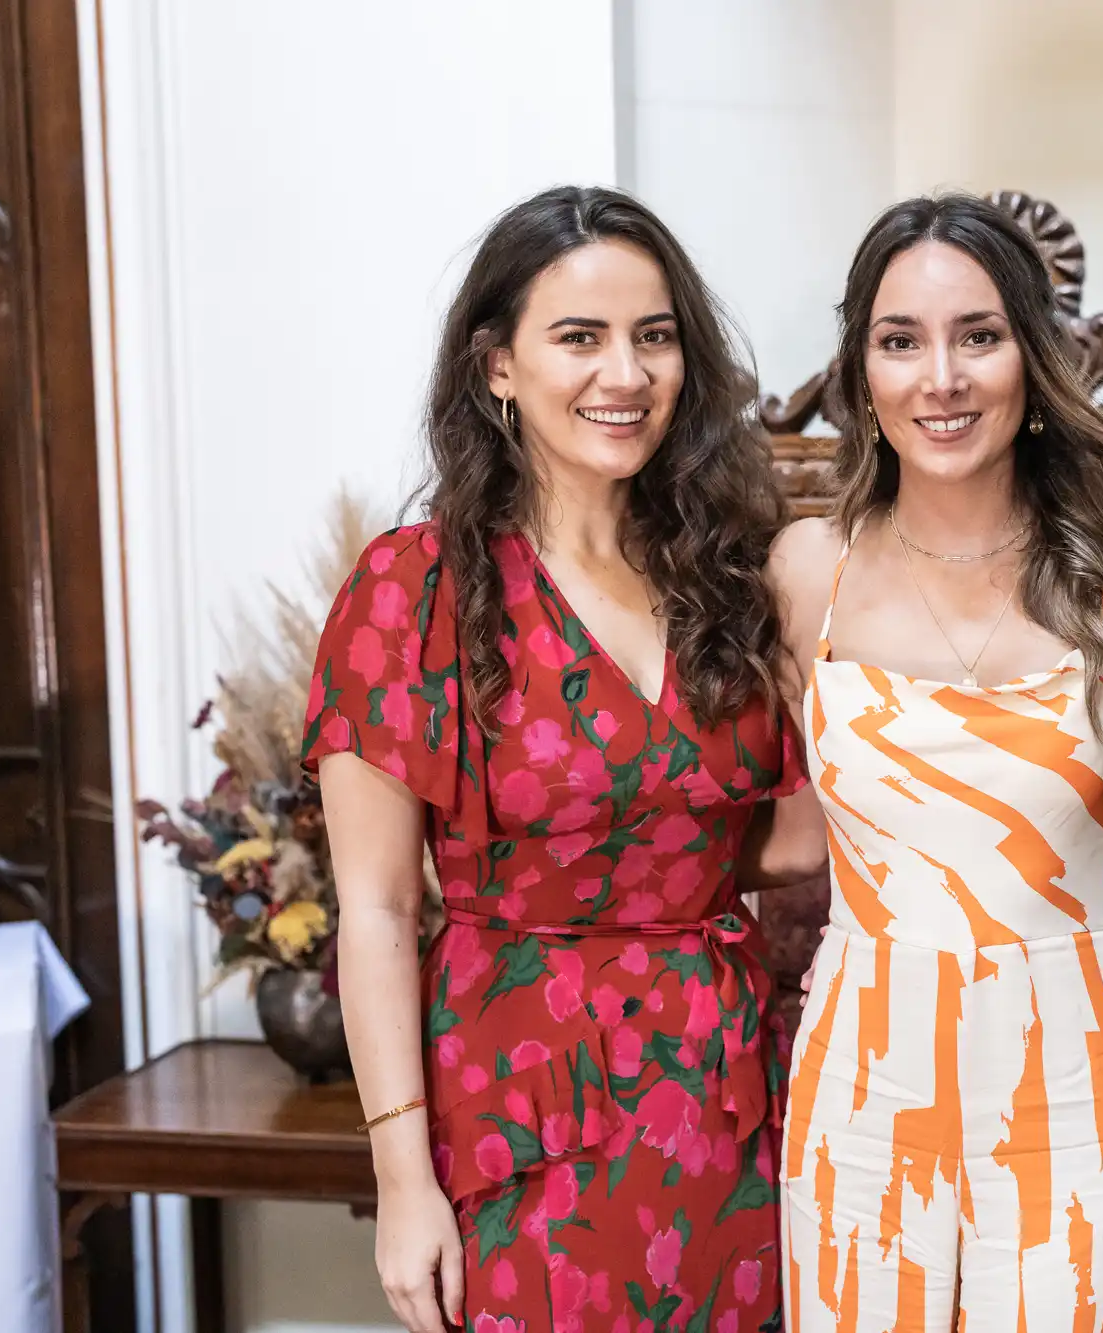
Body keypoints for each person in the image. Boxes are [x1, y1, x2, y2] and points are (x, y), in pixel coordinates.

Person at [305, 186, 819, 1333]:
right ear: (497, 366)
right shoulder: (414, 588)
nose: (623, 375)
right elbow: (378, 913)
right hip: (522, 1103)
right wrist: (402, 1185)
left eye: (653, 336)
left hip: (728, 1098)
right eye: (579, 338)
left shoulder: (730, 572)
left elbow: (785, 844)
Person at [768, 194, 1103, 1330]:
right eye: (900, 341)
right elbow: (774, 825)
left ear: (1032, 360)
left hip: (1086, 1070)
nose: (939, 377)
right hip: (865, 1069)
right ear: (860, 373)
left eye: (979, 336)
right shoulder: (807, 569)